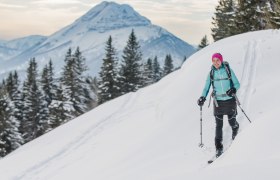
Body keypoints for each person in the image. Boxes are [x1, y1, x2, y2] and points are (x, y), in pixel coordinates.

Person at [197, 53, 240, 157]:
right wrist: (203, 97)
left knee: (232, 122)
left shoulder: (228, 70)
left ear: (221, 60)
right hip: (218, 102)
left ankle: (235, 128)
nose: (216, 63)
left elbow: (237, 84)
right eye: (214, 60)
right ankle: (218, 147)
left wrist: (233, 89)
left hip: (230, 100)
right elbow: (206, 88)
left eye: (218, 60)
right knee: (218, 125)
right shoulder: (211, 73)